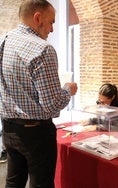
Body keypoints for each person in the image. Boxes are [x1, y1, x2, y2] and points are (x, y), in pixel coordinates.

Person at [0, 1, 78, 187]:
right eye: (51, 22)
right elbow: (51, 104)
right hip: (35, 132)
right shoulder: (42, 49)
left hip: (8, 127)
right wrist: (68, 90)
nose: (52, 29)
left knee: (13, 181)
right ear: (37, 17)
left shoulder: (3, 40)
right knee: (41, 184)